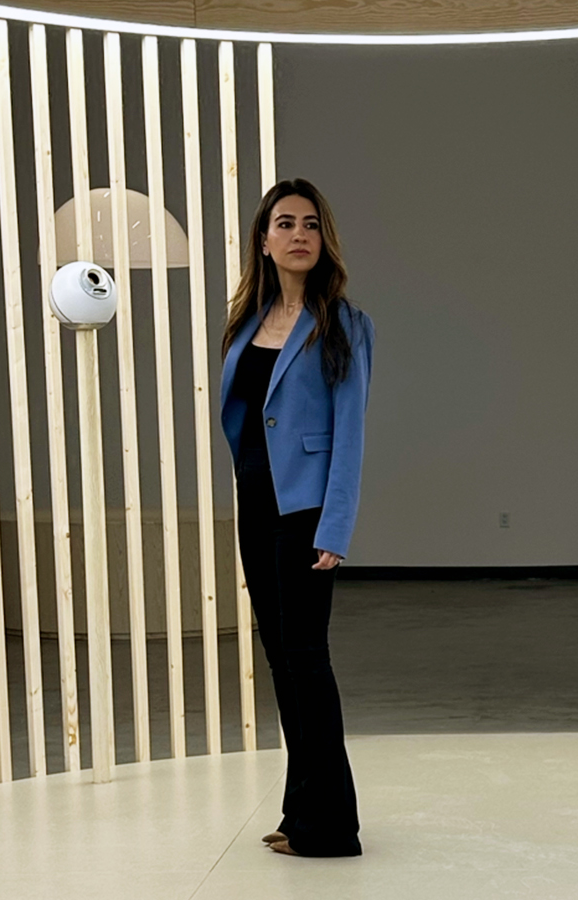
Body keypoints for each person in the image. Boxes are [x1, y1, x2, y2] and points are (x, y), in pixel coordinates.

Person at [220, 178, 374, 858]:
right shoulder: (248, 323)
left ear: (324, 239)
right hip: (255, 508)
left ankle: (334, 825)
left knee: (308, 663)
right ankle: (300, 810)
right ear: (264, 240)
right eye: (285, 223)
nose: (300, 234)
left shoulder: (343, 324)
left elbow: (351, 434)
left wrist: (335, 530)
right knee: (283, 663)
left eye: (311, 223)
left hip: (306, 512)